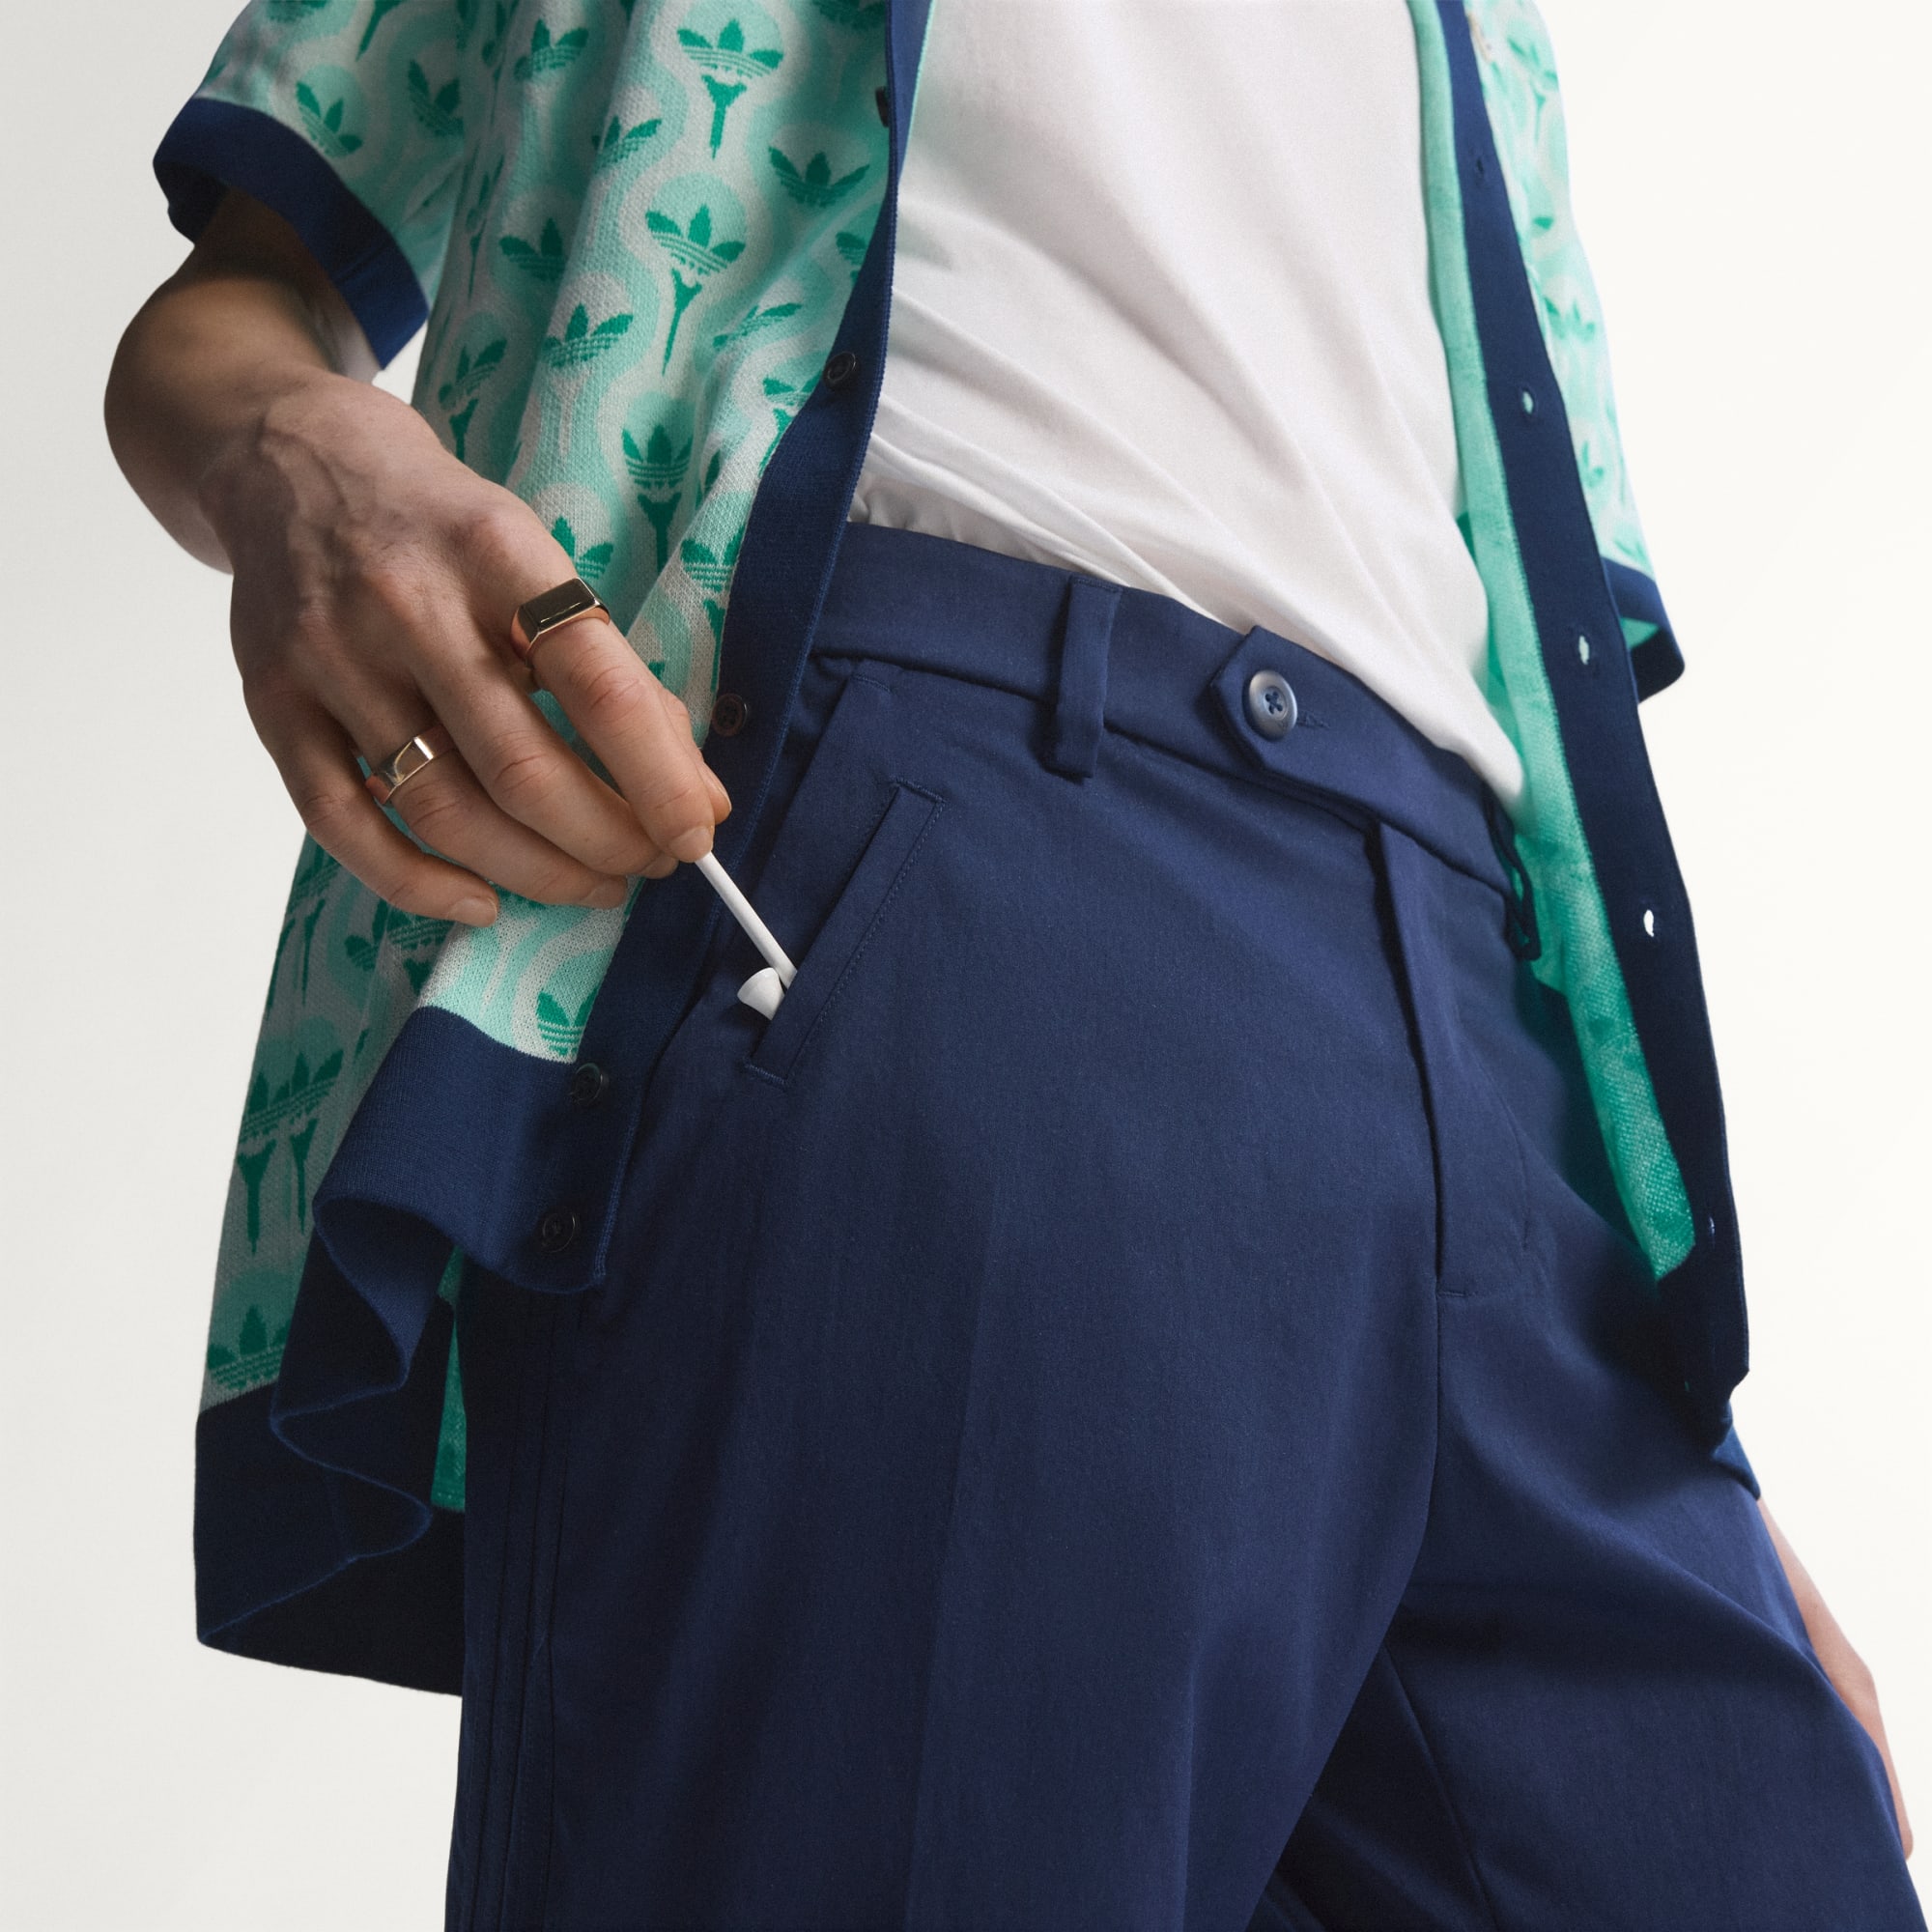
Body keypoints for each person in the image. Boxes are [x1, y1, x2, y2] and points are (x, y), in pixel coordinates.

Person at [106, 0, 1919, 1924]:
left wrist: (1657, 1391)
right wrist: (299, 452)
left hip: (1483, 1039)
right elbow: (230, 314)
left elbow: (1469, 600)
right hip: (934, 873)